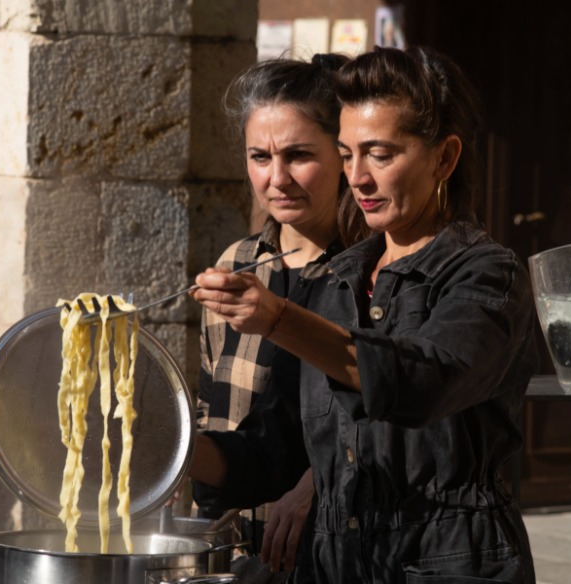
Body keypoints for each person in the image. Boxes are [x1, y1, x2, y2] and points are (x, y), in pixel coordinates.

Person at [189, 46, 539, 583]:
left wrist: (279, 319)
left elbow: (421, 380)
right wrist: (164, 447)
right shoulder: (340, 281)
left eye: (379, 155)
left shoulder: (487, 275)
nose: (358, 178)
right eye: (347, 154)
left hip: (448, 560)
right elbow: (271, 453)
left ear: (444, 158)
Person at [189, 53, 367, 583]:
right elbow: (214, 409)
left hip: (340, 552)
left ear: (343, 154)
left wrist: (315, 485)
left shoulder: (373, 270)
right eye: (260, 157)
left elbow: (392, 414)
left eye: (298, 155)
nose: (277, 178)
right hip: (238, 552)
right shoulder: (237, 264)